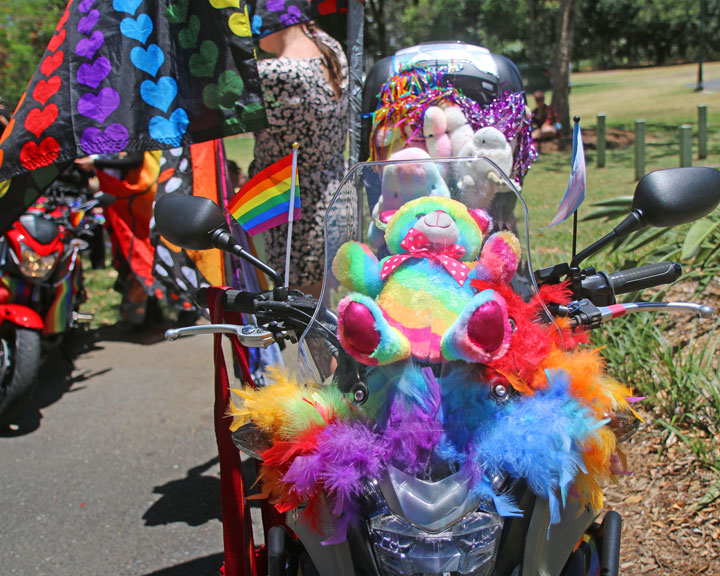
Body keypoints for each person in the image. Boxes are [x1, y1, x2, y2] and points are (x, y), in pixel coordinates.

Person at [250, 21, 348, 297]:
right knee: (319, 314)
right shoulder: (330, 48)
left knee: (298, 316)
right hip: (333, 197)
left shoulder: (278, 73)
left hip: (293, 212)